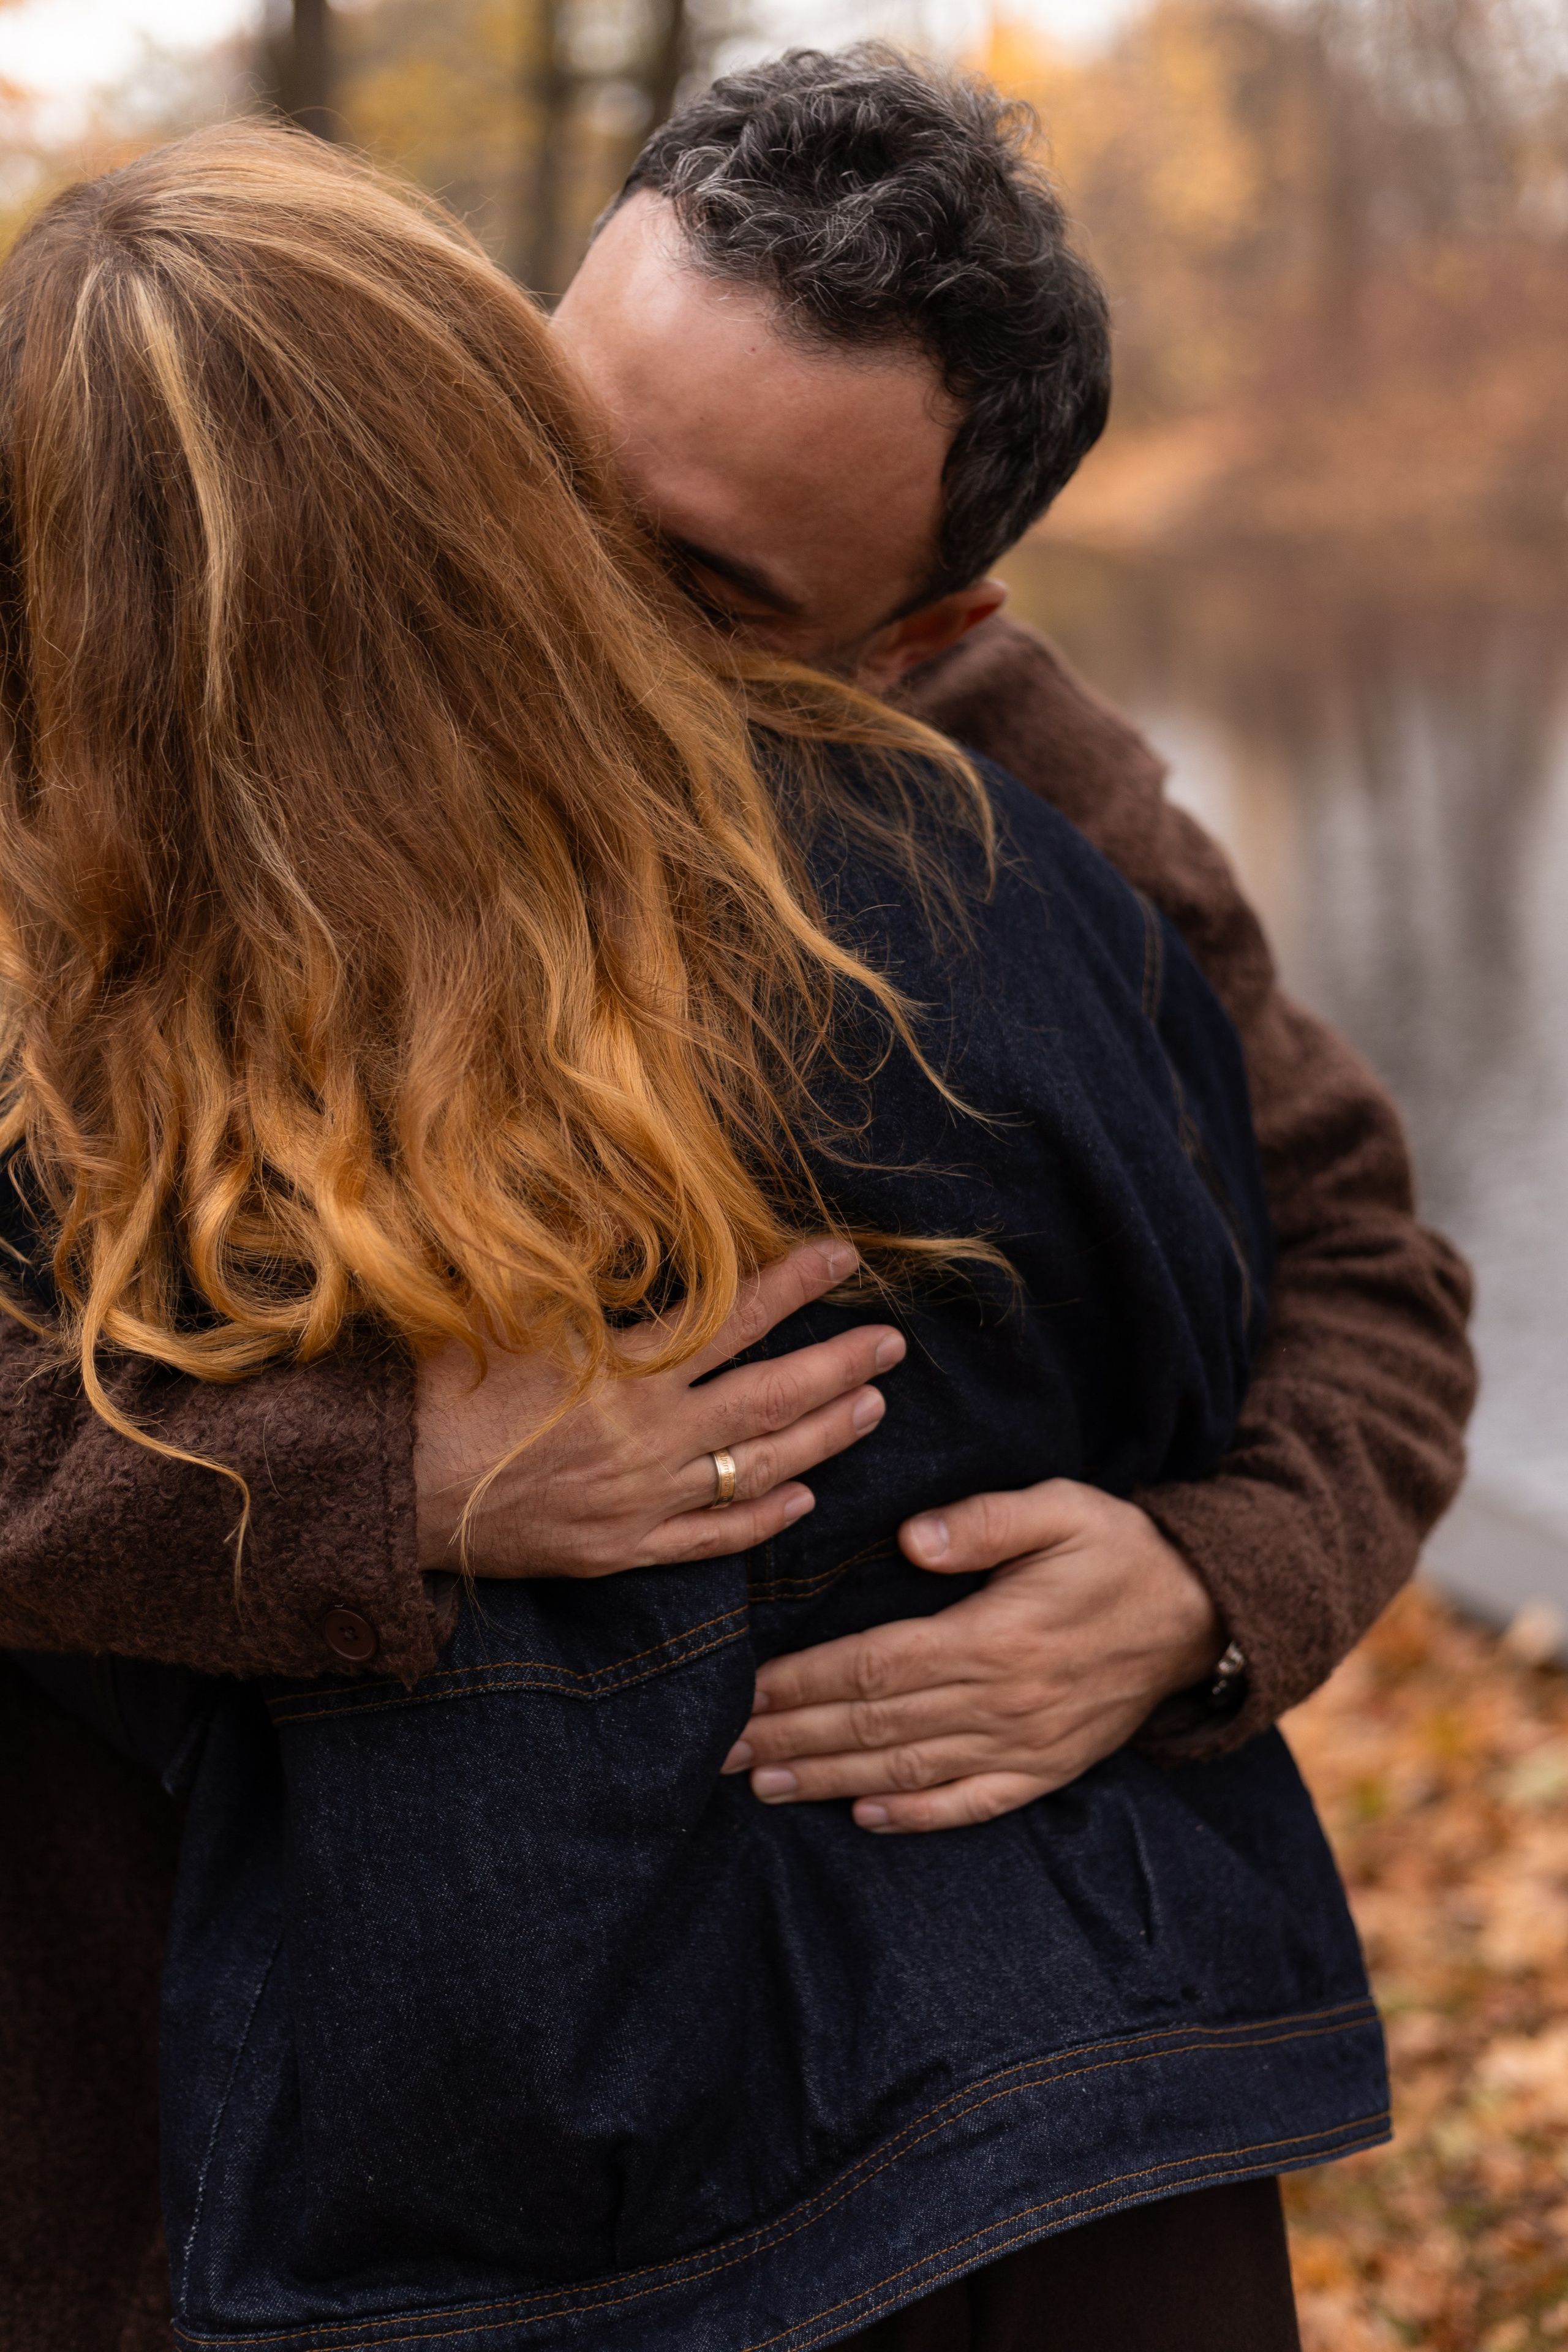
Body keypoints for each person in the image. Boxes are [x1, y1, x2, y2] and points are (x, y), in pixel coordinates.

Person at [0, 48, 1471, 2347]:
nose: (546, 583)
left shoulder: (1008, 797)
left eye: (699, 583)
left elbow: (1371, 1269)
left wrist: (1208, 1581)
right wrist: (380, 1481)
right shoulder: (158, 697)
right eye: (539, 452)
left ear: (915, 632)